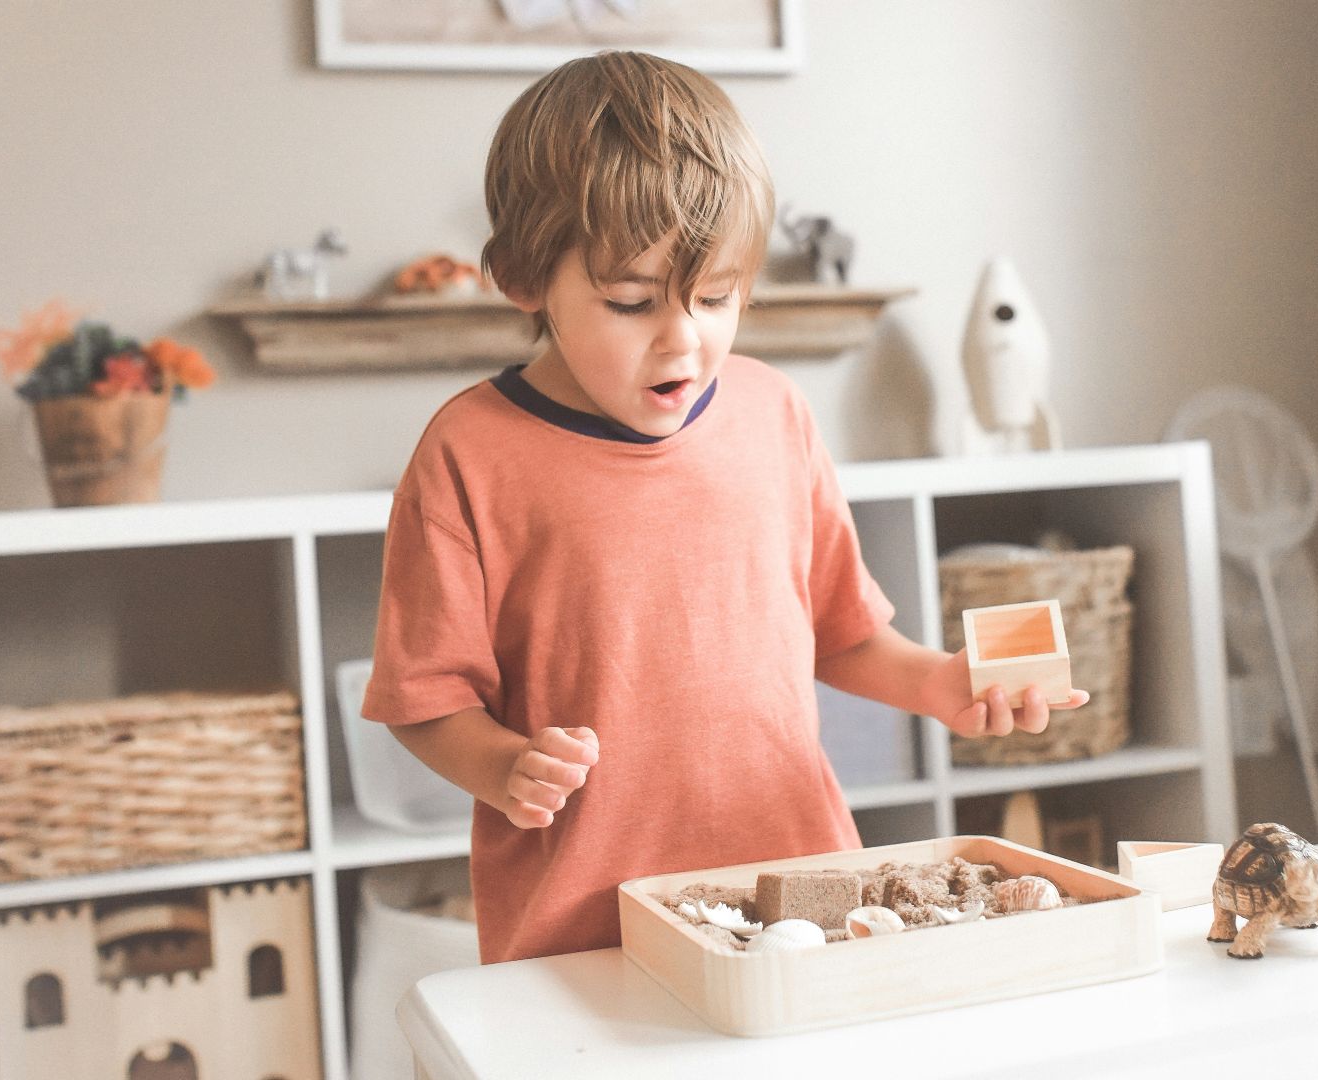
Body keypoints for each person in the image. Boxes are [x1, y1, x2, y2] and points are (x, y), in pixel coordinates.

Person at [362, 50, 1089, 964]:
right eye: (630, 302)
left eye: (717, 298)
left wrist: (939, 686)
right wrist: (503, 767)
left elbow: (842, 631)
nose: (683, 339)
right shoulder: (468, 453)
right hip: (586, 927)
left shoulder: (774, 413)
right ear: (523, 277)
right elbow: (422, 698)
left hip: (803, 896)